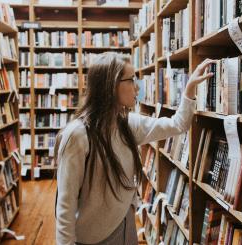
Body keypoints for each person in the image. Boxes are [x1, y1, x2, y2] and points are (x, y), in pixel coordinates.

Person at [54, 52, 215, 245]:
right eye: (131, 80)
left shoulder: (128, 124)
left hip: (125, 225)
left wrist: (189, 89)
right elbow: (65, 204)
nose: (137, 87)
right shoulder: (78, 135)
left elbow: (178, 125)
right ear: (112, 85)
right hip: (93, 238)